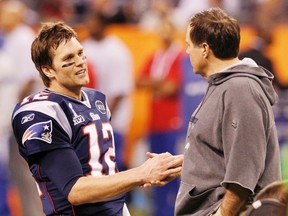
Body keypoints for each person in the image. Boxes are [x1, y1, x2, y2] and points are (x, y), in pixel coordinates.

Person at [11, 22, 183, 216]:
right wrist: (142, 173)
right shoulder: (40, 113)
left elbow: (105, 172)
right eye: (69, 57)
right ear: (48, 70)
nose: (80, 61)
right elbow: (75, 190)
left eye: (80, 53)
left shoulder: (96, 100)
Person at [175, 7, 281, 216]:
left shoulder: (240, 89)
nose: (187, 51)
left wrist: (222, 214)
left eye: (189, 45)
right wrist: (186, 160)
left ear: (204, 49)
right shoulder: (225, 85)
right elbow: (223, 153)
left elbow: (243, 175)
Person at [136, 18, 184, 216]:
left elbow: (172, 87)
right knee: (154, 174)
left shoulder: (180, 56)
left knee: (172, 173)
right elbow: (139, 81)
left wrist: (154, 84)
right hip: (155, 123)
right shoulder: (155, 56)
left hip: (173, 122)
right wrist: (159, 84)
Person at [82, 12, 134, 172]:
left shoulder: (116, 50)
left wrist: (104, 119)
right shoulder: (85, 47)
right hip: (88, 119)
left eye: (93, 21)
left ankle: (121, 198)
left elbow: (119, 92)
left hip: (113, 121)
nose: (89, 26)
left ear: (104, 24)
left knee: (112, 166)